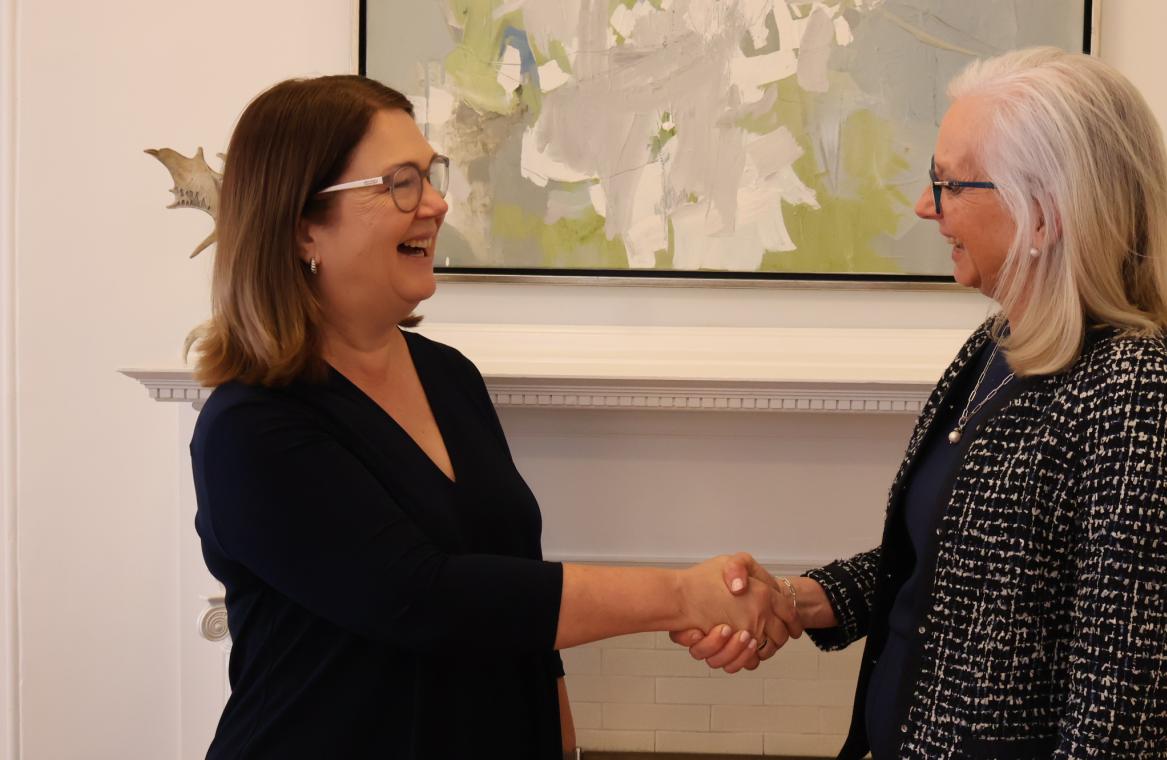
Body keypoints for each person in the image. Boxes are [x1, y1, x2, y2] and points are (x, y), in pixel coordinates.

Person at [185, 75, 798, 760]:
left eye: (430, 175)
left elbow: (514, 584)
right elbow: (424, 598)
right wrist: (681, 595)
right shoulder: (252, 428)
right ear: (303, 227)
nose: (438, 203)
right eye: (401, 182)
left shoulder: (448, 376)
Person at [673, 47, 1167, 760]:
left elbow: (1116, 719)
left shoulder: (1137, 396)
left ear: (1045, 213)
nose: (925, 205)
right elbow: (958, 565)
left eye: (949, 183)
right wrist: (804, 598)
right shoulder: (996, 344)